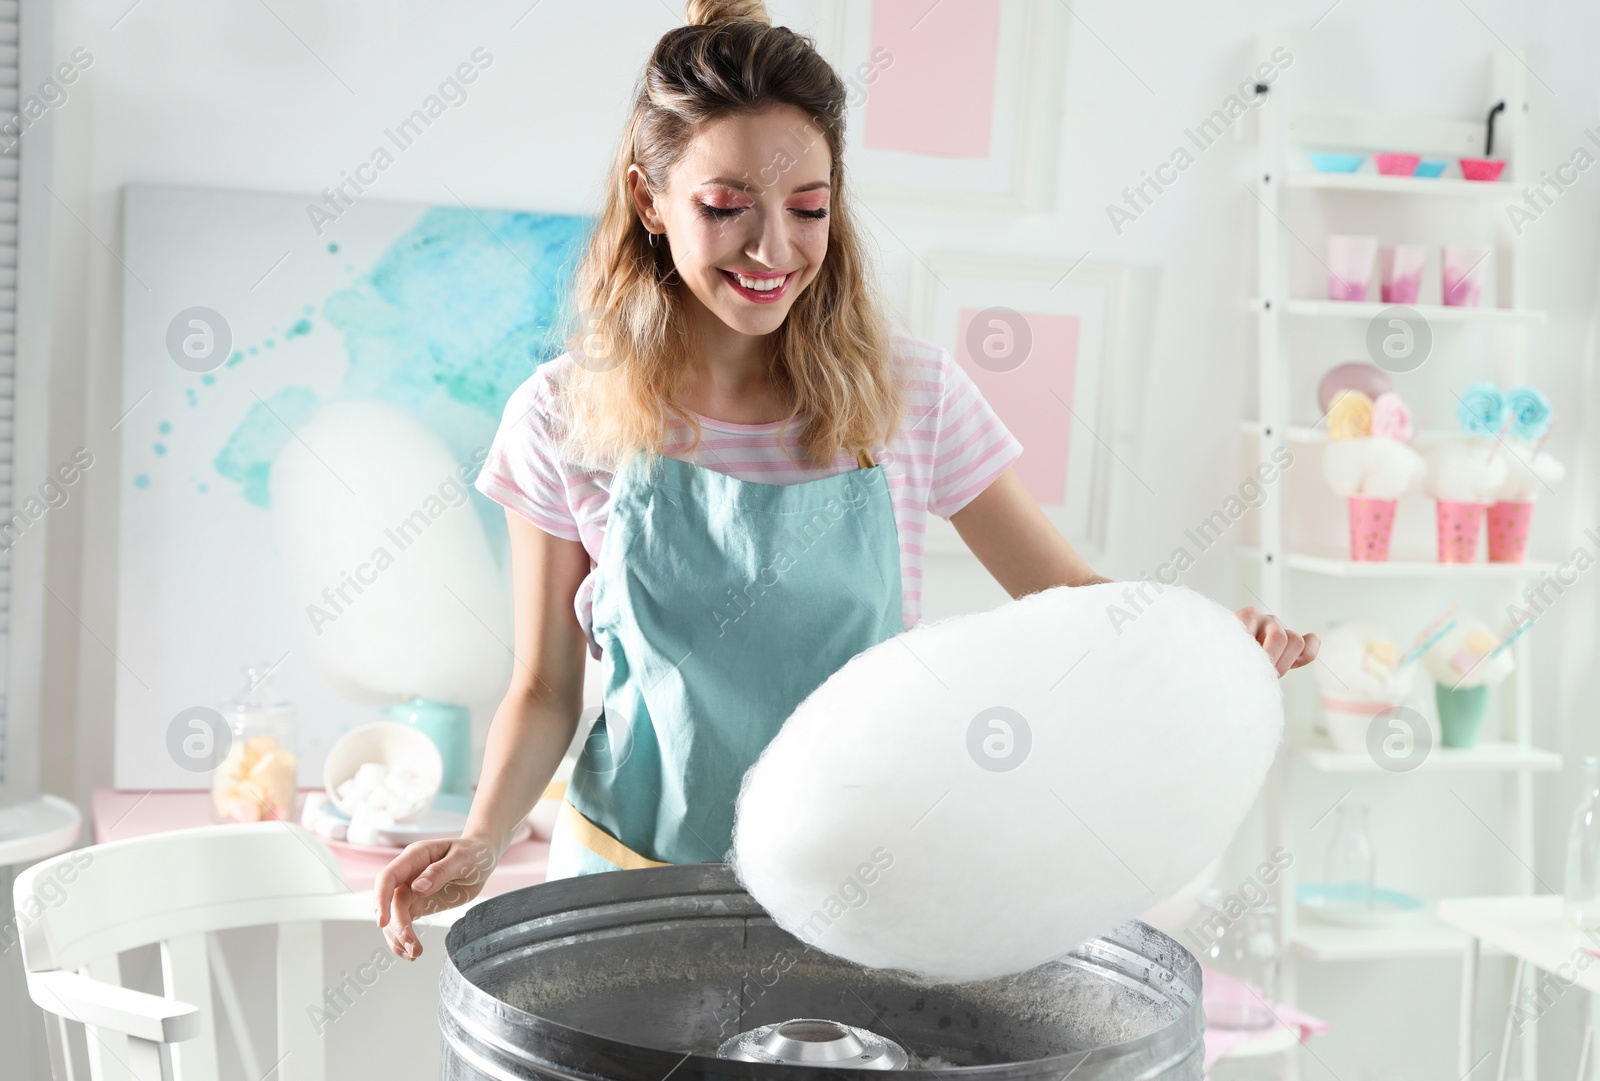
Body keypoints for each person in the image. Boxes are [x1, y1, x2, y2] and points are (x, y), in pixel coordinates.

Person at [375, 0, 1318, 962]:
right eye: (726, 205)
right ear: (650, 200)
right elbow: (543, 686)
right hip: (628, 894)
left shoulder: (913, 397)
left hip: (855, 904)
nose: (773, 248)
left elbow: (1074, 607)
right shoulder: (561, 413)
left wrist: (1207, 647)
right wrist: (482, 840)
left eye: (808, 207)